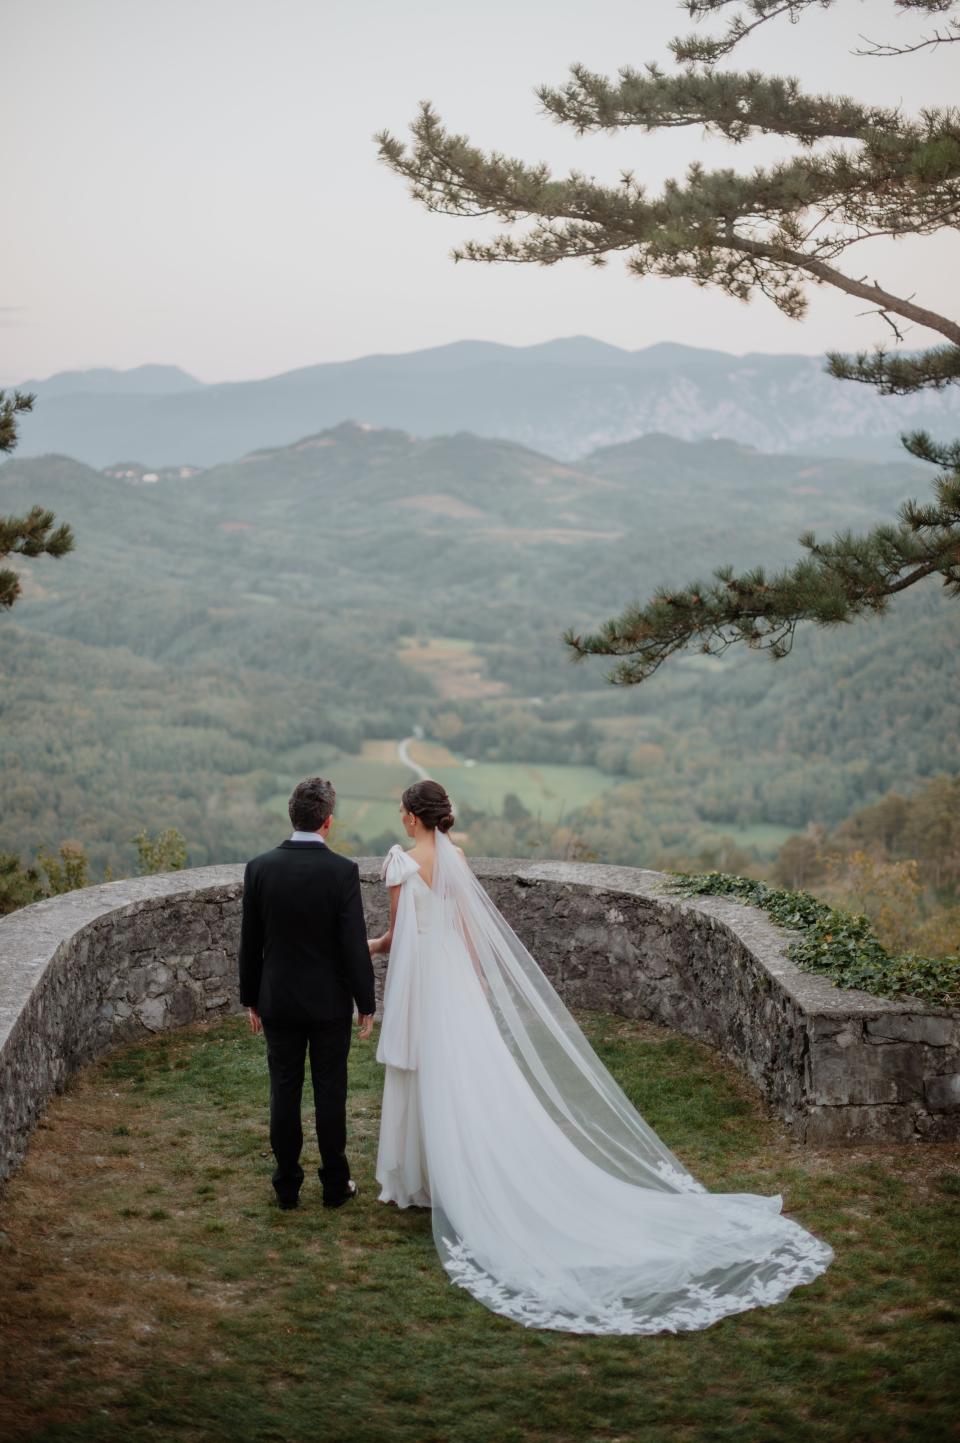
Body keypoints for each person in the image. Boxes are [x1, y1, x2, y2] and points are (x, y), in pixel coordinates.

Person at [368, 779, 833, 1336]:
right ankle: (449, 1175)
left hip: (427, 983)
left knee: (430, 1074)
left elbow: (398, 937)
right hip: (458, 981)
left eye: (402, 811)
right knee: (471, 1079)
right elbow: (467, 931)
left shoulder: (401, 863)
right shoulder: (457, 858)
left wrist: (367, 945)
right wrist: (478, 985)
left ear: (416, 817)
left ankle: (427, 1181)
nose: (400, 819)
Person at [239, 776, 376, 1210]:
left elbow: (250, 941)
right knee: (330, 1093)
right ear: (328, 822)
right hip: (328, 1004)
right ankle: (335, 1185)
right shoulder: (341, 871)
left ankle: (286, 1187)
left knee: (284, 1092)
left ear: (291, 816)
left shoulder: (260, 868)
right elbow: (352, 945)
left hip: (278, 999)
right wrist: (366, 1002)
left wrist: (251, 998)